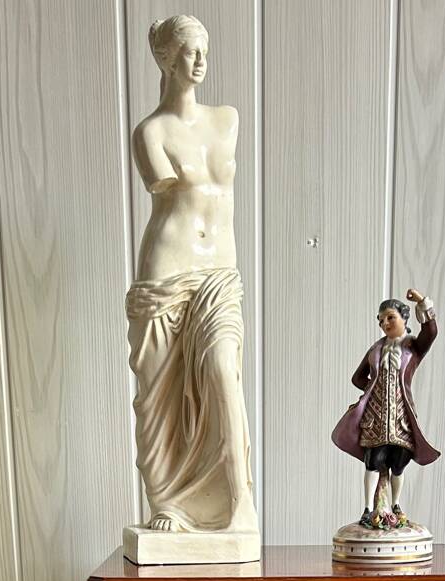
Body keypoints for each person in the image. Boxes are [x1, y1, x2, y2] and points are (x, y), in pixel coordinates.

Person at [127, 15, 257, 534]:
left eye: (204, 49)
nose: (199, 59)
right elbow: (164, 189)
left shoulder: (228, 119)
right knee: (159, 401)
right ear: (164, 58)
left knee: (224, 371)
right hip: (165, 273)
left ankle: (239, 499)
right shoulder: (150, 133)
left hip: (218, 275)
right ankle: (170, 504)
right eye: (187, 50)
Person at [331, 289, 440, 527]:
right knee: (373, 460)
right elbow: (357, 378)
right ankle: (369, 508)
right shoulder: (376, 349)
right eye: (381, 320)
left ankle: (396, 504)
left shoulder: (413, 347)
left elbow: (430, 332)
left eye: (390, 317)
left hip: (401, 416)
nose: (385, 323)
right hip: (376, 417)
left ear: (403, 317)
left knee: (399, 462)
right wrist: (374, 388)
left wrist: (423, 302)